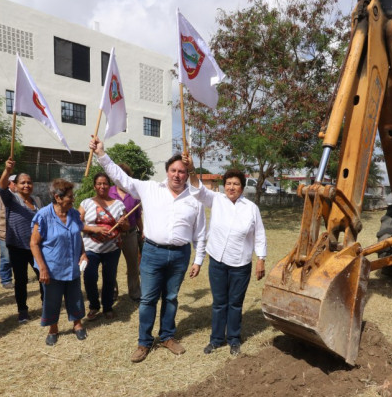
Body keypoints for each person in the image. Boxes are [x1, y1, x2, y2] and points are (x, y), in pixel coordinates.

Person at [90, 137, 206, 363]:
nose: (177, 175)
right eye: (173, 170)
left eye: (182, 171)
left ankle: (167, 336)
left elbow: (200, 233)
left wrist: (198, 259)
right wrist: (101, 154)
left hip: (180, 255)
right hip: (153, 253)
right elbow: (120, 177)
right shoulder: (149, 188)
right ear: (167, 172)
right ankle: (144, 342)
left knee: (171, 298)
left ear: (187, 173)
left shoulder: (195, 199)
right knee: (148, 300)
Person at [183, 155, 267, 355]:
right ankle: (216, 339)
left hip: (240, 264)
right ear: (223, 186)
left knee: (235, 304)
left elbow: (260, 235)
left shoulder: (251, 209)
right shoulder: (216, 199)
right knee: (219, 303)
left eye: (236, 184)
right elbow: (198, 189)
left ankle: (234, 339)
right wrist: (192, 169)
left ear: (242, 187)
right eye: (228, 183)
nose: (231, 187)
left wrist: (261, 260)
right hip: (218, 261)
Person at [30, 179, 88, 346]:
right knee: (52, 299)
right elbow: (34, 243)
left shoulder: (74, 214)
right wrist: (42, 268)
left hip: (72, 266)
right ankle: (53, 328)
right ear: (57, 197)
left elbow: (78, 235)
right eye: (70, 196)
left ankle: (77, 324)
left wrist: (83, 254)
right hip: (51, 267)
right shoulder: (43, 215)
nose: (73, 199)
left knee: (75, 296)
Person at [0, 160, 42, 323]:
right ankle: (22, 311)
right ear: (15, 185)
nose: (26, 185)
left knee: (42, 276)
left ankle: (47, 304)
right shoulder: (11, 199)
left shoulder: (37, 201)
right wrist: (7, 170)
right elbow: (2, 186)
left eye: (29, 183)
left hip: (36, 247)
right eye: (22, 182)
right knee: (21, 280)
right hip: (17, 247)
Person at [79, 172, 126, 321]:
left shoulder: (119, 205)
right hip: (90, 249)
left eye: (105, 183)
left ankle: (107, 307)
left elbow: (126, 226)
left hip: (112, 249)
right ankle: (94, 305)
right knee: (89, 277)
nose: (102, 186)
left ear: (109, 185)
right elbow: (77, 223)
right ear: (94, 186)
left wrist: (124, 224)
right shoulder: (86, 203)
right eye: (99, 183)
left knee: (109, 278)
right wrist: (94, 229)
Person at [109, 163, 143, 303]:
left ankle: (135, 292)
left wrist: (142, 231)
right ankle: (112, 292)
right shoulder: (109, 191)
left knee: (133, 264)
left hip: (130, 234)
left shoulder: (134, 193)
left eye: (124, 176)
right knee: (111, 265)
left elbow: (138, 215)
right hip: (113, 235)